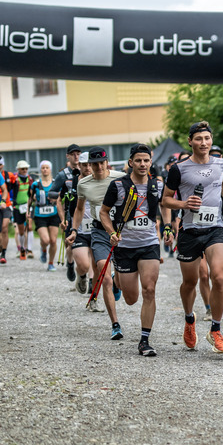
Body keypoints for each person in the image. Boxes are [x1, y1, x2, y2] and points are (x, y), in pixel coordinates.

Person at [162, 121, 223, 354]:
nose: (203, 143)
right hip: (190, 231)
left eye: (207, 138)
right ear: (190, 141)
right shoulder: (178, 169)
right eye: (199, 139)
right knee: (190, 282)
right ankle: (189, 319)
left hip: (215, 228)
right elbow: (165, 199)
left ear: (211, 140)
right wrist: (183, 203)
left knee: (218, 276)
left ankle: (215, 329)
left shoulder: (220, 163)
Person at [101, 144, 167, 356]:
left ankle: (144, 340)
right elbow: (104, 212)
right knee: (131, 298)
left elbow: (164, 205)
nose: (142, 164)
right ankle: (117, 280)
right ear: (130, 162)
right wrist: (111, 232)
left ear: (150, 162)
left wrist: (166, 227)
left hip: (149, 244)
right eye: (138, 160)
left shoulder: (157, 183)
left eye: (146, 160)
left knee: (149, 290)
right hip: (125, 246)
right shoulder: (118, 185)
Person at [68, 148, 126, 337]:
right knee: (104, 276)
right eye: (95, 164)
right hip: (99, 232)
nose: (99, 167)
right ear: (89, 165)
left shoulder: (121, 178)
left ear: (106, 162)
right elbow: (79, 209)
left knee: (124, 283)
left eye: (102, 163)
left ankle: (120, 282)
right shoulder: (83, 184)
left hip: (123, 231)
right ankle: (115, 324)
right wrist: (74, 230)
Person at [50, 144, 82, 282]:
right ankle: (70, 264)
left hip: (87, 215)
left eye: (78, 154)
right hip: (70, 214)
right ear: (68, 156)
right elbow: (55, 196)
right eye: (73, 154)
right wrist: (62, 219)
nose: (76, 156)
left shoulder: (87, 171)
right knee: (71, 244)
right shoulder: (63, 175)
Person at [68, 155, 96, 296]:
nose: (87, 168)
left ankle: (92, 288)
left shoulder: (101, 181)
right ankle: (81, 274)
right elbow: (63, 201)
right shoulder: (73, 182)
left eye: (89, 165)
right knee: (84, 264)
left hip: (96, 227)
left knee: (96, 264)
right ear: (79, 166)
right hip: (79, 228)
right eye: (84, 165)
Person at [29, 160, 61, 271]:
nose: (45, 169)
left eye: (47, 167)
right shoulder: (35, 184)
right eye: (43, 168)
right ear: (40, 170)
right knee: (46, 240)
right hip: (40, 214)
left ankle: (51, 263)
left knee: (53, 241)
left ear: (50, 169)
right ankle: (43, 250)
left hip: (53, 214)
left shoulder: (56, 183)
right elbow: (30, 199)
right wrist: (29, 213)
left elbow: (60, 199)